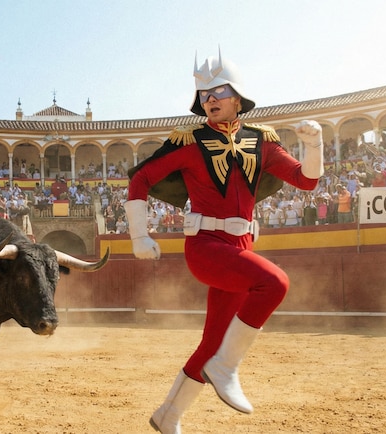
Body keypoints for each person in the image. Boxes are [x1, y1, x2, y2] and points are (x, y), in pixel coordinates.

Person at [126, 52, 322, 432]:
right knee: (275, 283)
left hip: (241, 247)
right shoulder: (189, 140)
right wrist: (139, 233)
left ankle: (168, 415)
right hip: (206, 247)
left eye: (218, 91)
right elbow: (140, 179)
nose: (209, 99)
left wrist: (315, 146)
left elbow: (306, 180)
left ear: (237, 96)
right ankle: (226, 367)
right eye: (203, 95)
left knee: (213, 341)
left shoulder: (262, 141)